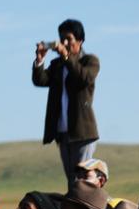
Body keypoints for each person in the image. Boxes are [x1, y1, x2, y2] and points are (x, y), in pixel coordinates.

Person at [33, 19, 100, 182]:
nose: (64, 43)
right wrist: (40, 60)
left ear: (80, 41)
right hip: (63, 132)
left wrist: (66, 56)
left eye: (68, 39)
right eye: (61, 38)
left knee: (82, 180)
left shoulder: (90, 61)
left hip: (82, 132)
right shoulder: (58, 65)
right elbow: (40, 80)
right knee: (72, 181)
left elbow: (83, 78)